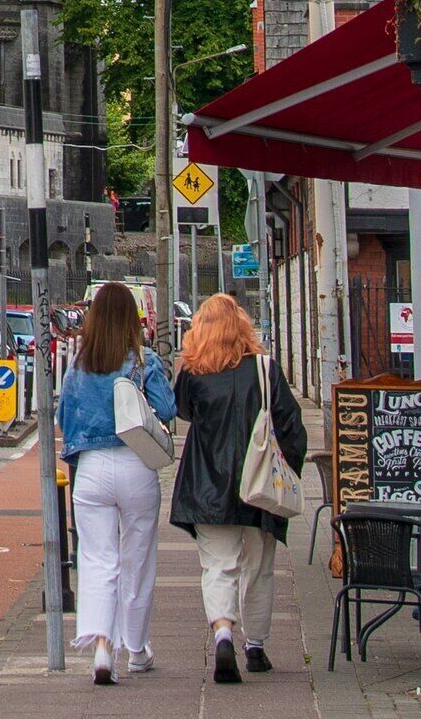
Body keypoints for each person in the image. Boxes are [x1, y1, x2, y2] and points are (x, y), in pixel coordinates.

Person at [166, 292, 308, 682]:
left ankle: (223, 632)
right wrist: (288, 472)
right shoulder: (265, 369)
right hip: (259, 484)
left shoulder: (193, 374)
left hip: (209, 485)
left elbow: (183, 413)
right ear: (242, 326)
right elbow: (293, 427)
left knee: (218, 566)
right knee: (259, 568)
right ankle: (257, 647)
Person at [53, 281, 176, 682]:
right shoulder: (143, 361)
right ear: (131, 320)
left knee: (96, 558)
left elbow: (63, 419)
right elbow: (168, 408)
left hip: (91, 471)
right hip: (136, 464)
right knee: (136, 561)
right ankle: (136, 649)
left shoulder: (77, 366)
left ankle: (102, 647)